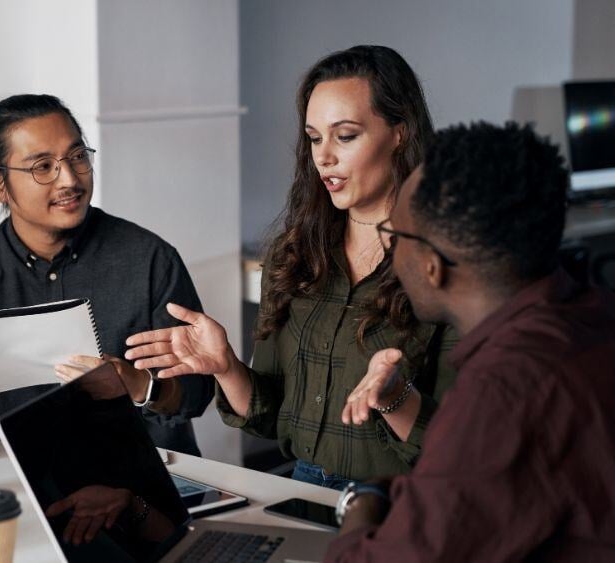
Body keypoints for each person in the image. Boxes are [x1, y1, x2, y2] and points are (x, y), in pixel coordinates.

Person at [126, 45, 457, 489]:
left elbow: (463, 448)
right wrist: (226, 366)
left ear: (399, 133)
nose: (324, 157)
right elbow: (270, 417)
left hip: (400, 508)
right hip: (299, 490)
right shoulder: (296, 253)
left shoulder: (448, 266)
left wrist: (395, 395)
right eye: (315, 138)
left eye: (345, 135)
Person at [327, 122, 615, 561]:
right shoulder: (592, 315)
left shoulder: (508, 388)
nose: (391, 251)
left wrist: (361, 501)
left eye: (396, 236)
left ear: (431, 266)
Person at [0, 94, 214, 458]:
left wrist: (140, 386)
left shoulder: (149, 259)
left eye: (77, 157)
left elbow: (196, 390)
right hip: (21, 478)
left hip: (143, 480)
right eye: (42, 166)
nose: (69, 179)